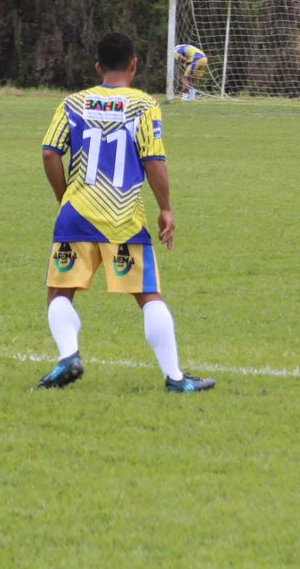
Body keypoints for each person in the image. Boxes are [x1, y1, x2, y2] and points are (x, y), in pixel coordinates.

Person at [35, 32, 215, 393]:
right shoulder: (143, 105)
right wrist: (165, 208)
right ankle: (175, 378)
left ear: (98, 67)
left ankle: (69, 355)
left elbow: (50, 153)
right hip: (123, 216)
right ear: (134, 64)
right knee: (149, 296)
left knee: (60, 294)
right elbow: (154, 160)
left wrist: (64, 196)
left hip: (77, 213)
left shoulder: (73, 102)